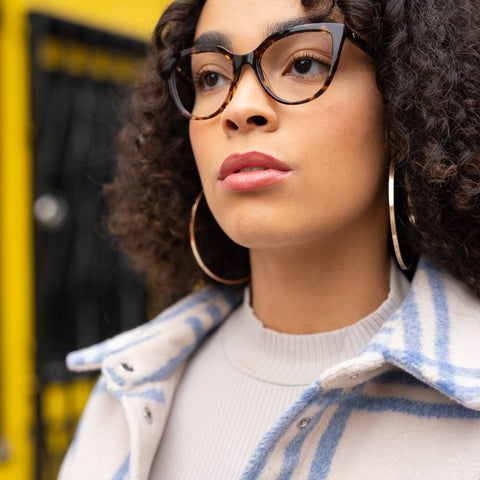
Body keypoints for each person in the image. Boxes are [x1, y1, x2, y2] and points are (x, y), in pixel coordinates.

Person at [58, 0, 480, 478]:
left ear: (404, 97)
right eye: (211, 77)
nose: (239, 109)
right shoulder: (125, 392)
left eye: (303, 64)